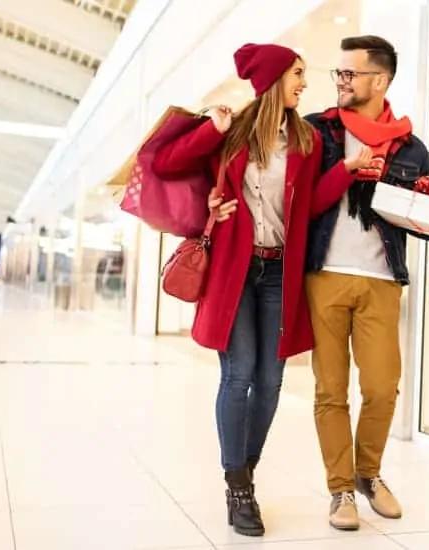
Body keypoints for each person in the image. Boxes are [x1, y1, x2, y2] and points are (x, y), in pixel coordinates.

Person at [150, 43, 370, 537]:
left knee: (271, 381)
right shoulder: (233, 134)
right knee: (239, 375)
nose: (304, 83)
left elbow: (309, 204)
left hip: (277, 273)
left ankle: (243, 469)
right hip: (234, 270)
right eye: (297, 73)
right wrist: (212, 128)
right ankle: (239, 489)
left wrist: (346, 173)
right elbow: (166, 164)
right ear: (272, 78)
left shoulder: (307, 139)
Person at [303, 35, 429, 530]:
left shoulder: (410, 148)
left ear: (380, 80)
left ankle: (368, 474)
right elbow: (299, 199)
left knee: (382, 388)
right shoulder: (318, 132)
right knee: (330, 390)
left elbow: (420, 212)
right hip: (325, 276)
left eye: (349, 73)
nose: (340, 81)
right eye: (338, 73)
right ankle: (340, 490)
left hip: (382, 279)